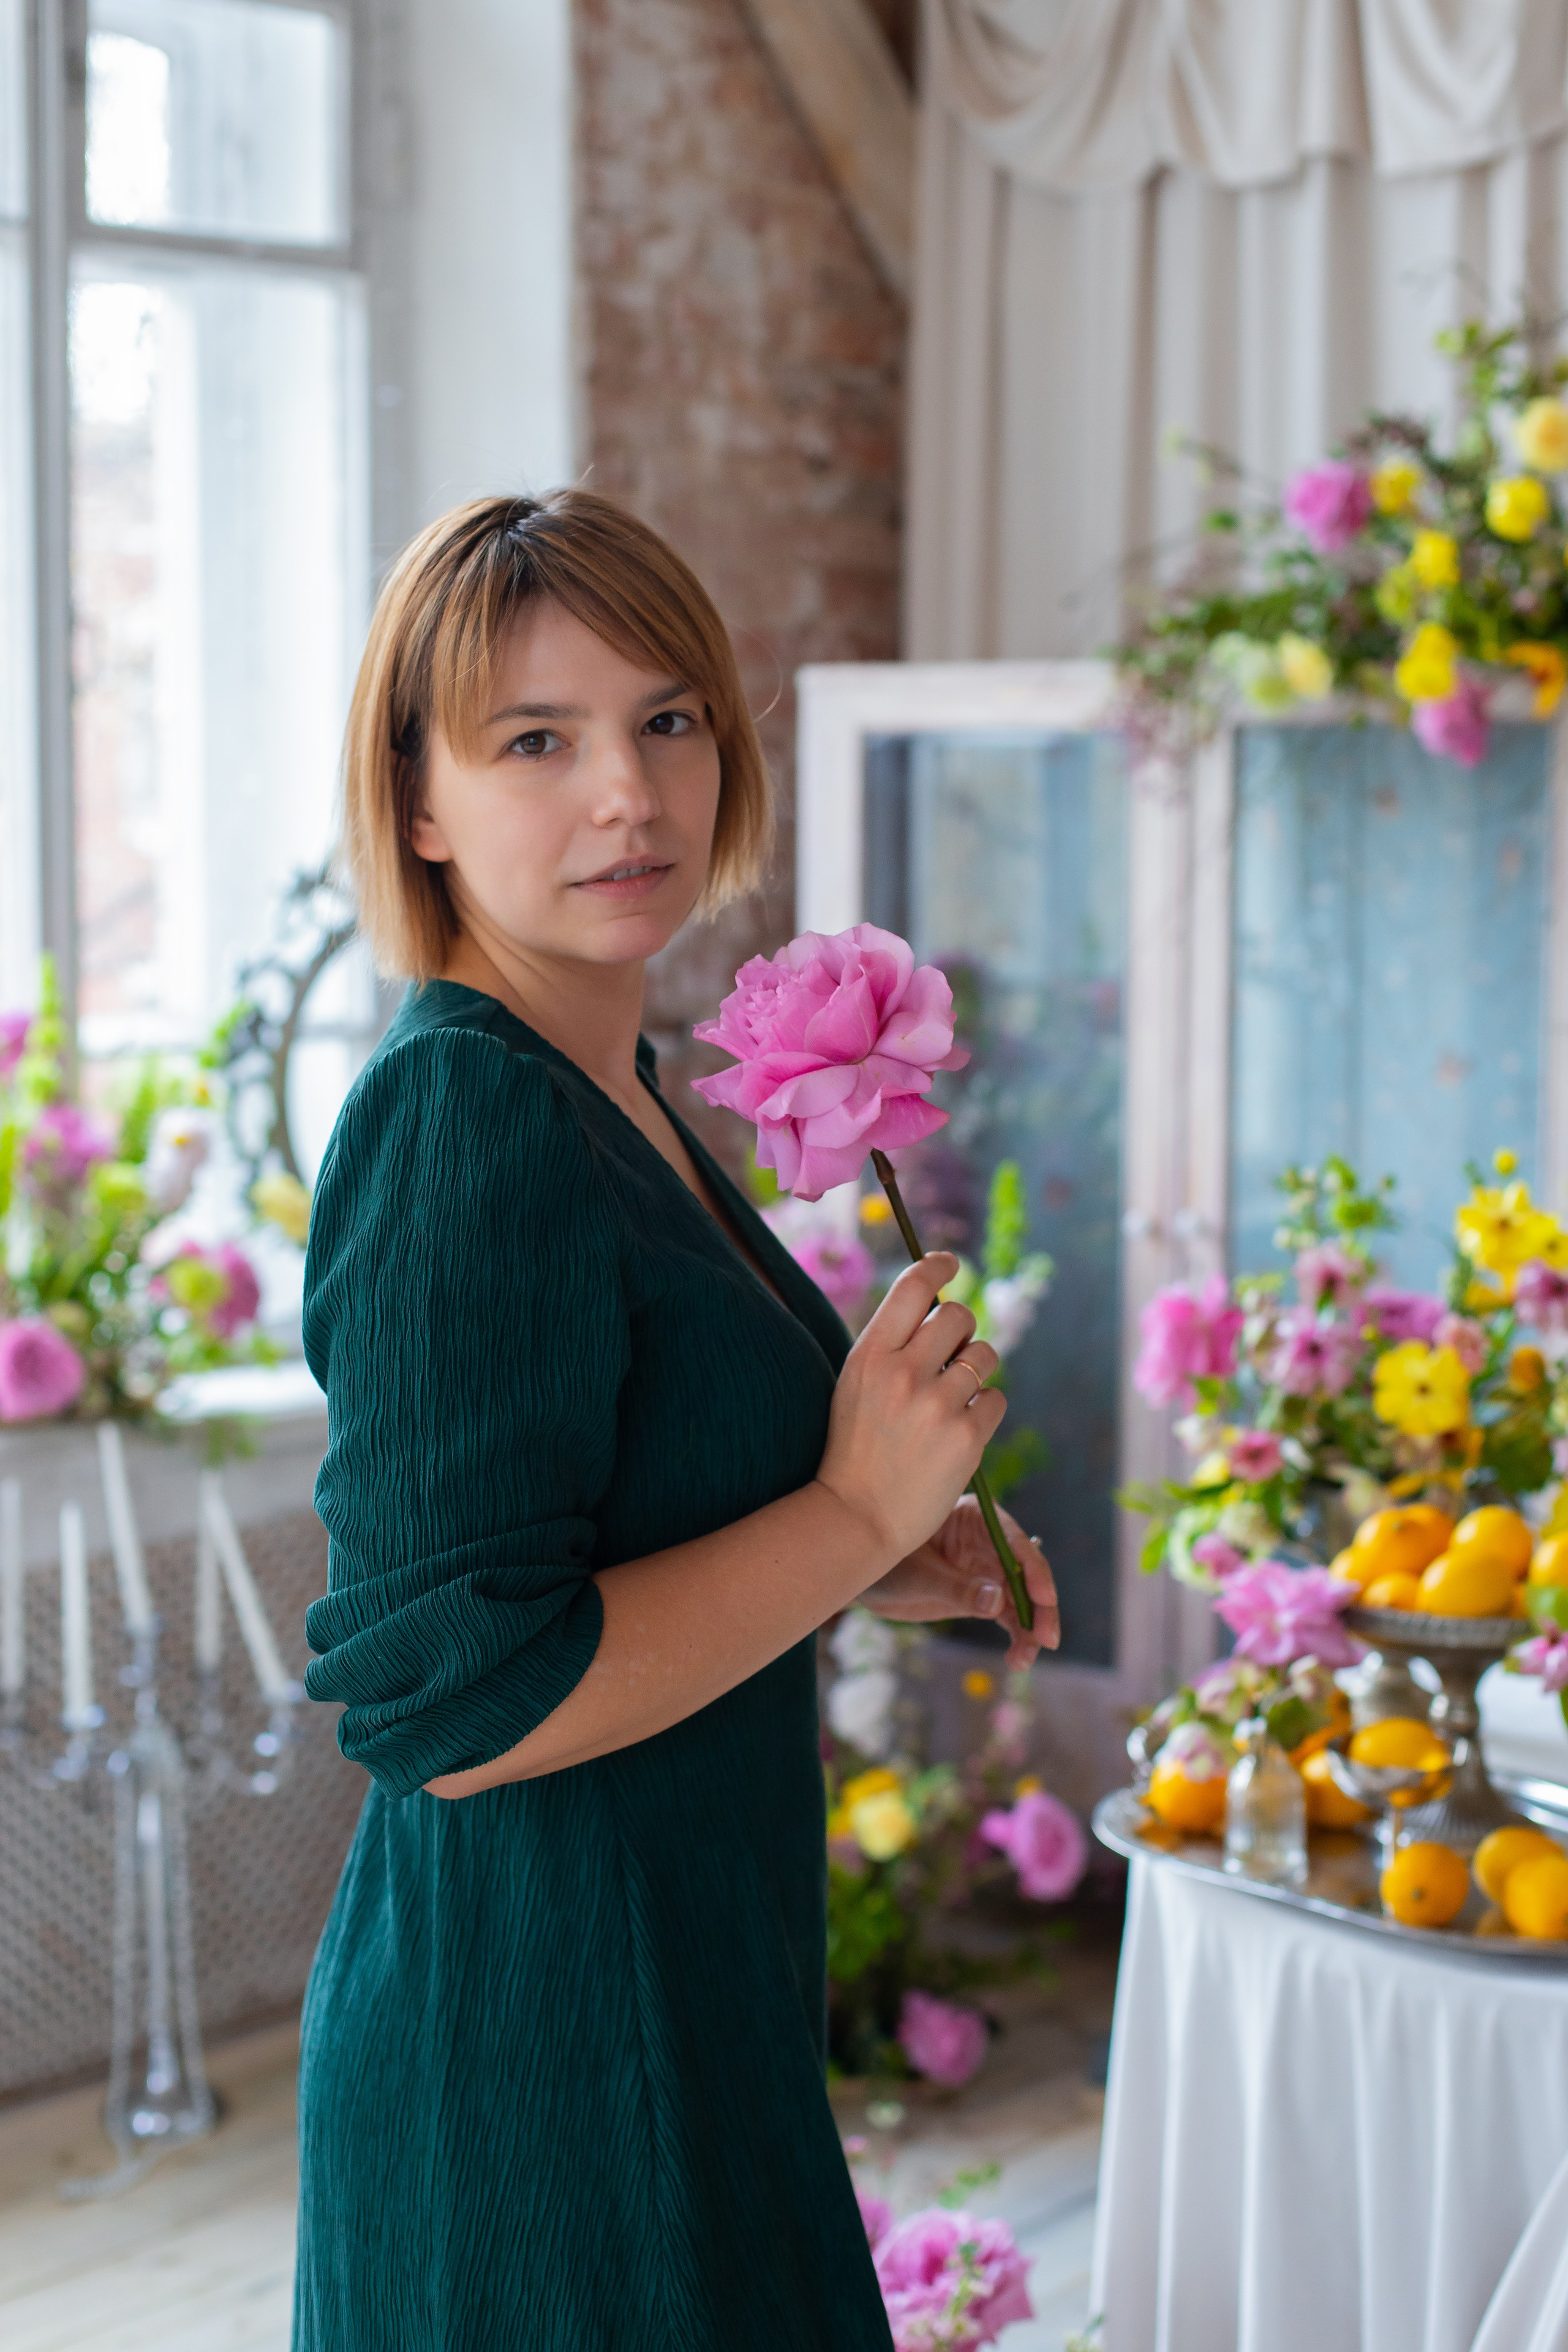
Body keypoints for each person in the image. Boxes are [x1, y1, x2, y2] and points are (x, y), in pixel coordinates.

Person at [292, 489, 1059, 2351]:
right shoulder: (466, 1118)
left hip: (685, 2000)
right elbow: (456, 1707)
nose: (627, 795)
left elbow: (612, 1526)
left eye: (668, 720)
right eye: (535, 743)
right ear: (417, 805)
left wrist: (878, 1558)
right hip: (546, 2057)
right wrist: (850, 1522)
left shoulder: (612, 1082)